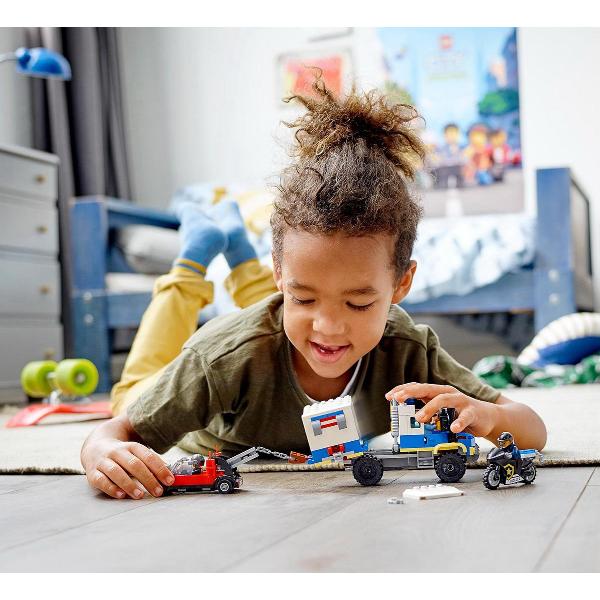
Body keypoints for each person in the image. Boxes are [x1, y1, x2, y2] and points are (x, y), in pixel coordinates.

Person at [81, 76, 547, 500]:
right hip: (192, 379)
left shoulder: (407, 350)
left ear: (401, 284)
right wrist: (102, 451)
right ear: (279, 274)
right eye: (303, 296)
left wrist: (490, 416)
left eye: (359, 303)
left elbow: (533, 429)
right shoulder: (223, 359)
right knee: (140, 383)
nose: (329, 325)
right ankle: (192, 260)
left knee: (294, 324)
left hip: (273, 329)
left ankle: (241, 251)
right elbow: (114, 432)